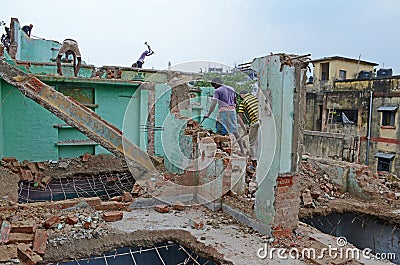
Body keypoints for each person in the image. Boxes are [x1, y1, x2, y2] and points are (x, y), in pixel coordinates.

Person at [204, 77, 246, 155]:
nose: (214, 87)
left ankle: (221, 153)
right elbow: (235, 101)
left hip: (223, 112)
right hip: (232, 111)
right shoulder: (231, 88)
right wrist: (233, 109)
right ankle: (242, 151)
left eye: (214, 85)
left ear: (217, 83)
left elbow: (214, 103)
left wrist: (208, 114)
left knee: (220, 132)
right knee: (235, 132)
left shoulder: (217, 90)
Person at [238, 90, 259, 171]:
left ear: (242, 95)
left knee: (252, 143)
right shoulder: (255, 98)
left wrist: (244, 129)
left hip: (255, 122)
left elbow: (239, 118)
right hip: (263, 121)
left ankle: (254, 164)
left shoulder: (243, 103)